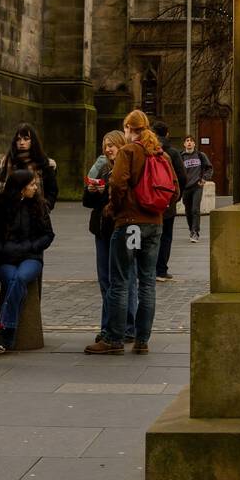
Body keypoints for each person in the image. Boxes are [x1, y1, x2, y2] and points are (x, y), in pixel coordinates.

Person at [84, 115, 177, 356]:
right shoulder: (161, 154)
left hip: (129, 224)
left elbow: (116, 183)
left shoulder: (128, 152)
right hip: (154, 225)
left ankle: (114, 338)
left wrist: (113, 208)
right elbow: (175, 189)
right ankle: (141, 340)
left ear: (128, 129)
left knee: (120, 281)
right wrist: (158, 209)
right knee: (147, 283)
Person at [0, 168, 54, 355]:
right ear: (21, 188)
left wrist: (29, 247)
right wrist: (4, 249)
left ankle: (2, 332)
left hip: (31, 258)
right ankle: (4, 336)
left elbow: (47, 235)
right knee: (12, 277)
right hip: (6, 258)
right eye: (32, 184)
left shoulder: (39, 205)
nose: (35, 188)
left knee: (20, 278)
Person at [82, 131, 138, 342]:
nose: (107, 149)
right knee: (105, 280)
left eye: (111, 145)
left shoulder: (130, 170)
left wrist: (110, 193)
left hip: (125, 230)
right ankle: (108, 326)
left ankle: (128, 327)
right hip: (102, 230)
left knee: (127, 279)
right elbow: (87, 202)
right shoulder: (103, 169)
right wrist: (92, 191)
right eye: (105, 145)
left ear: (121, 145)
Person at [151, 118, 187, 281]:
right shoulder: (172, 153)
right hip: (167, 202)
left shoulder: (146, 150)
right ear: (167, 133)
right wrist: (176, 197)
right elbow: (182, 176)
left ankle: (147, 268)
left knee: (151, 236)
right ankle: (161, 270)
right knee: (166, 236)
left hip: (149, 201)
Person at [0, 125, 58, 210]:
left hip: (37, 212)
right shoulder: (3, 164)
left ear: (33, 141)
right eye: (18, 139)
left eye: (26, 139)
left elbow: (52, 190)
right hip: (10, 212)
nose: (21, 142)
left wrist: (46, 207)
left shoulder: (45, 163)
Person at [180, 136, 214, 239]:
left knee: (195, 209)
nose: (189, 143)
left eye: (191, 141)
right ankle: (191, 229)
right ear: (184, 144)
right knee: (188, 210)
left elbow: (209, 168)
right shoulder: (181, 156)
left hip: (197, 186)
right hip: (185, 187)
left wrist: (204, 178)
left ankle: (195, 232)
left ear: (194, 144)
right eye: (187, 141)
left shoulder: (200, 155)